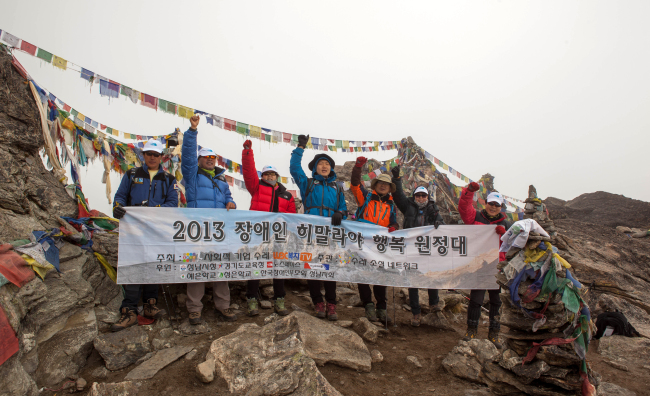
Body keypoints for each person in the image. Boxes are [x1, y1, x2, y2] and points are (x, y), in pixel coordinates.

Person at [111, 139, 178, 331]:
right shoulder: (132, 174)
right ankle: (129, 309)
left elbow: (173, 203)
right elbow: (120, 196)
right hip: (134, 229)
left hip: (156, 230)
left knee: (153, 264)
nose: (152, 157)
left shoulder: (169, 179)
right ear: (144, 155)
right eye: (149, 153)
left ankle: (150, 304)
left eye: (156, 154)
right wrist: (117, 207)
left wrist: (153, 210)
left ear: (161, 158)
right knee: (133, 264)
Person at [182, 114, 237, 325]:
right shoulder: (192, 177)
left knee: (221, 268)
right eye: (206, 157)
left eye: (213, 158)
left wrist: (231, 204)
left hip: (219, 231)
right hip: (197, 230)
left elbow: (229, 199)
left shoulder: (222, 181)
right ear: (199, 160)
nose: (210, 160)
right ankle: (194, 309)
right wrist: (192, 132)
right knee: (196, 269)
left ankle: (223, 306)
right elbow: (187, 156)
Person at [290, 134, 347, 321]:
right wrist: (300, 147)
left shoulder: (337, 188)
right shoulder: (307, 183)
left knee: (329, 269)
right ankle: (318, 303)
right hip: (311, 234)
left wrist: (340, 212)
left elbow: (343, 208)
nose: (324, 166)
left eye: (328, 164)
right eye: (321, 163)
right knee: (312, 267)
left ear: (331, 169)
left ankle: (332, 304)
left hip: (330, 234)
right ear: (315, 167)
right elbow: (294, 168)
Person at [242, 139, 295, 316]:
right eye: (266, 174)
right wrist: (248, 152)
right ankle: (251, 300)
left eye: (273, 174)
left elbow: (292, 217)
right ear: (262, 177)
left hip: (279, 237)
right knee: (255, 266)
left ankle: (280, 301)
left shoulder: (287, 195)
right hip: (258, 235)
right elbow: (249, 173)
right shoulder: (256, 188)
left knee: (278, 268)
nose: (270, 177)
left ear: (277, 177)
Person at [390, 166, 445, 326]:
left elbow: (442, 224)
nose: (420, 197)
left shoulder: (433, 209)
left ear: (427, 197)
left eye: (423, 195)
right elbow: (398, 195)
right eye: (418, 195)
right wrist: (397, 179)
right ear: (414, 197)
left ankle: (434, 303)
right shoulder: (408, 207)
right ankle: (415, 313)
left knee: (431, 276)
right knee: (412, 281)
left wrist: (438, 222)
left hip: (428, 251)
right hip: (411, 250)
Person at [458, 182, 510, 348]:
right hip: (479, 264)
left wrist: (505, 237)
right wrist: (469, 191)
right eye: (490, 203)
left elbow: (514, 245)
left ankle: (494, 333)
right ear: (485, 203)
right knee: (476, 299)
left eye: (497, 205)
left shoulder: (508, 225)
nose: (493, 207)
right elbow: (464, 209)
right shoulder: (475, 217)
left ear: (501, 207)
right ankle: (471, 329)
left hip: (497, 267)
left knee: (496, 301)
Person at [350, 157, 400, 324]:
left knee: (381, 275)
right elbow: (355, 185)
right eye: (380, 183)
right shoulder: (365, 197)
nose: (383, 185)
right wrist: (358, 168)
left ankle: (381, 308)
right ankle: (368, 305)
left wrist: (394, 226)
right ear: (376, 184)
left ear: (389, 188)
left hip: (381, 245)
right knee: (363, 274)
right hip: (363, 242)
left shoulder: (391, 205)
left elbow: (393, 221)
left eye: (386, 184)